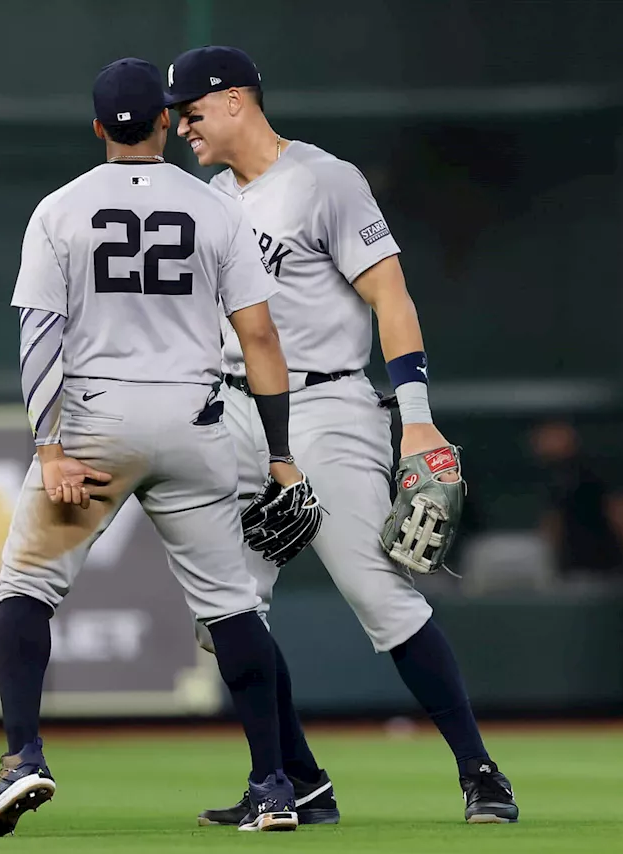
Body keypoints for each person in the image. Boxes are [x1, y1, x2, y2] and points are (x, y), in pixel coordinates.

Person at [0, 57, 322, 837]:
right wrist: (282, 454)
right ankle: (273, 785)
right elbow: (258, 337)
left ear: (97, 128)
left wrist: (51, 447)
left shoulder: (59, 209)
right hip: (194, 419)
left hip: (96, 419)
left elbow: (38, 340)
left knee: (26, 588)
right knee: (231, 607)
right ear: (165, 120)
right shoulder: (216, 208)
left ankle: (24, 755)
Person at [164, 45, 519, 824]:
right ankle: (295, 781)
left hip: (327, 406)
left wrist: (417, 414)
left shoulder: (324, 180)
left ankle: (480, 771)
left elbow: (390, 297)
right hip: (234, 412)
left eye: (191, 112)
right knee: (226, 615)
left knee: (378, 592)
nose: (182, 127)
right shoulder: (209, 199)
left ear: (233, 102)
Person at [530, 419, 623, 580]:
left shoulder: (595, 471)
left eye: (549, 433)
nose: (539, 442)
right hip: (571, 573)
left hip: (607, 570)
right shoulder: (552, 478)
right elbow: (551, 527)